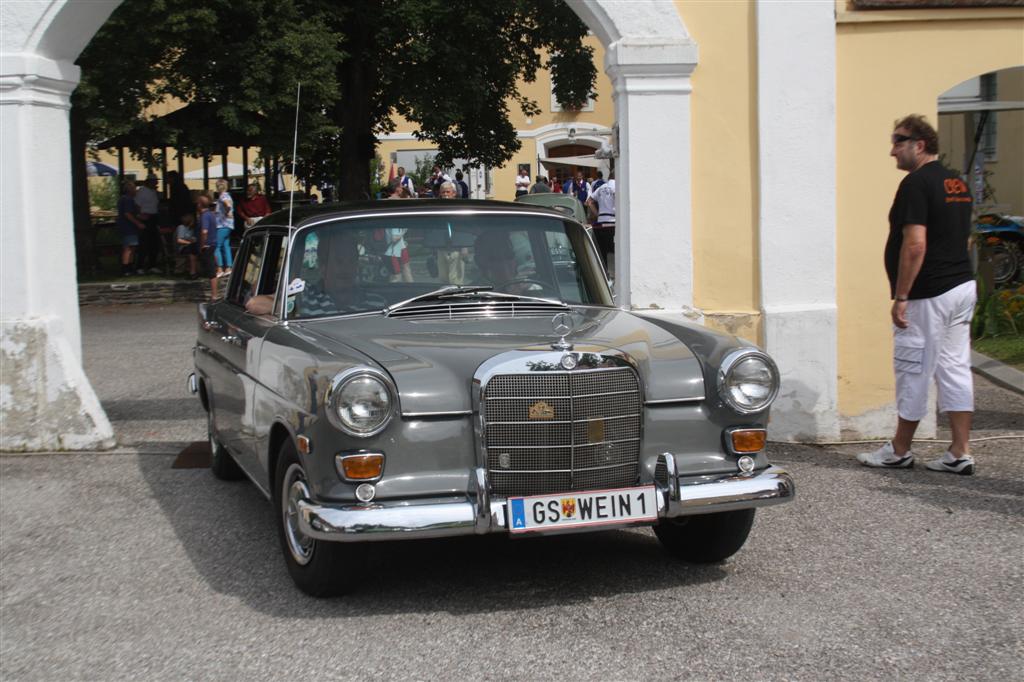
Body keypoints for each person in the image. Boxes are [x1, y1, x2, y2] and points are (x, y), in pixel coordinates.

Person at [857, 114, 978, 475]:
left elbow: (915, 244)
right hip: (961, 286)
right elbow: (965, 237)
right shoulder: (957, 182)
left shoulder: (916, 184)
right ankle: (959, 451)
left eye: (899, 140)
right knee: (955, 366)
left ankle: (899, 449)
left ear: (919, 145)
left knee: (912, 368)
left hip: (929, 293)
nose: (893, 150)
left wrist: (903, 295)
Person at [116, 180, 145, 276]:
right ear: (130, 190)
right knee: (128, 248)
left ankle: (130, 267)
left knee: (132, 247)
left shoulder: (127, 199)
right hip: (128, 227)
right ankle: (126, 268)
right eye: (134, 188)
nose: (136, 190)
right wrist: (138, 223)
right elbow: (127, 214)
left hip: (129, 227)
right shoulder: (127, 199)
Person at [586, 172, 615, 269]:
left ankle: (605, 277)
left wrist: (597, 214)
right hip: (612, 222)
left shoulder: (601, 187)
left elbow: (589, 202)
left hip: (600, 222)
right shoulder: (618, 186)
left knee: (602, 254)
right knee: (616, 253)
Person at [134, 175, 162, 273]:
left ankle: (152, 265)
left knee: (154, 243)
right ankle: (139, 266)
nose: (156, 183)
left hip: (154, 217)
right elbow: (137, 205)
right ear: (148, 182)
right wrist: (139, 215)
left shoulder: (154, 192)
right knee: (144, 243)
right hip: (145, 217)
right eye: (154, 181)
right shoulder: (142, 191)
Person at [196, 192, 220, 299]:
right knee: (209, 266)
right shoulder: (211, 214)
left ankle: (214, 295)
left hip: (208, 245)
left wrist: (202, 244)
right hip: (213, 243)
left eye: (197, 203)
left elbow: (204, 231)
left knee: (211, 271)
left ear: (200, 205)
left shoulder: (205, 216)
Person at [213, 179, 235, 277]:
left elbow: (227, 204)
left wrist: (228, 210)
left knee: (216, 247)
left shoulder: (223, 196)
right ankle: (229, 267)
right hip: (228, 225)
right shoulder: (228, 195)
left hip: (222, 225)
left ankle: (220, 268)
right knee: (226, 246)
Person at [174, 212, 199, 278]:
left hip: (189, 247)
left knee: (195, 249)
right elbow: (179, 240)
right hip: (181, 248)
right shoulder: (181, 227)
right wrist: (189, 243)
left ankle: (192, 271)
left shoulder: (191, 229)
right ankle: (192, 272)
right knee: (192, 250)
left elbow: (192, 238)